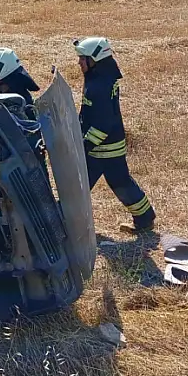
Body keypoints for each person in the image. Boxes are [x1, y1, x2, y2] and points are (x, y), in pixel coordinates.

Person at [74, 36, 156, 234]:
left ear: (94, 60)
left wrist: (85, 145)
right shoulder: (101, 79)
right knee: (120, 182)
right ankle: (145, 218)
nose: (79, 62)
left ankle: (66, 223)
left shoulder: (98, 87)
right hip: (110, 144)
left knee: (77, 186)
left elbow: (102, 123)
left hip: (102, 148)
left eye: (82, 58)